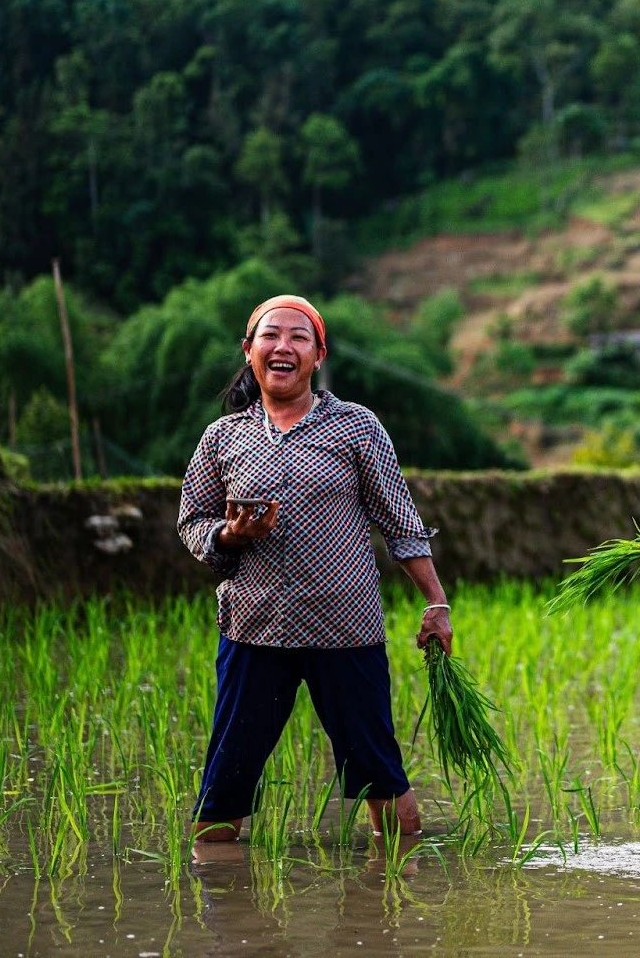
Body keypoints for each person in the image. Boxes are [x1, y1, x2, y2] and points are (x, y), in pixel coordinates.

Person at [177, 294, 453, 842]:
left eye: (299, 338)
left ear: (318, 354)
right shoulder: (222, 437)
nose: (284, 346)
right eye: (270, 336)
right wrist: (230, 534)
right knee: (222, 793)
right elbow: (191, 521)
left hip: (344, 632)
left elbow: (400, 521)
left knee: (384, 783)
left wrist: (436, 603)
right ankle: (228, 916)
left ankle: (391, 909)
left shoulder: (357, 427)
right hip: (253, 631)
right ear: (249, 351)